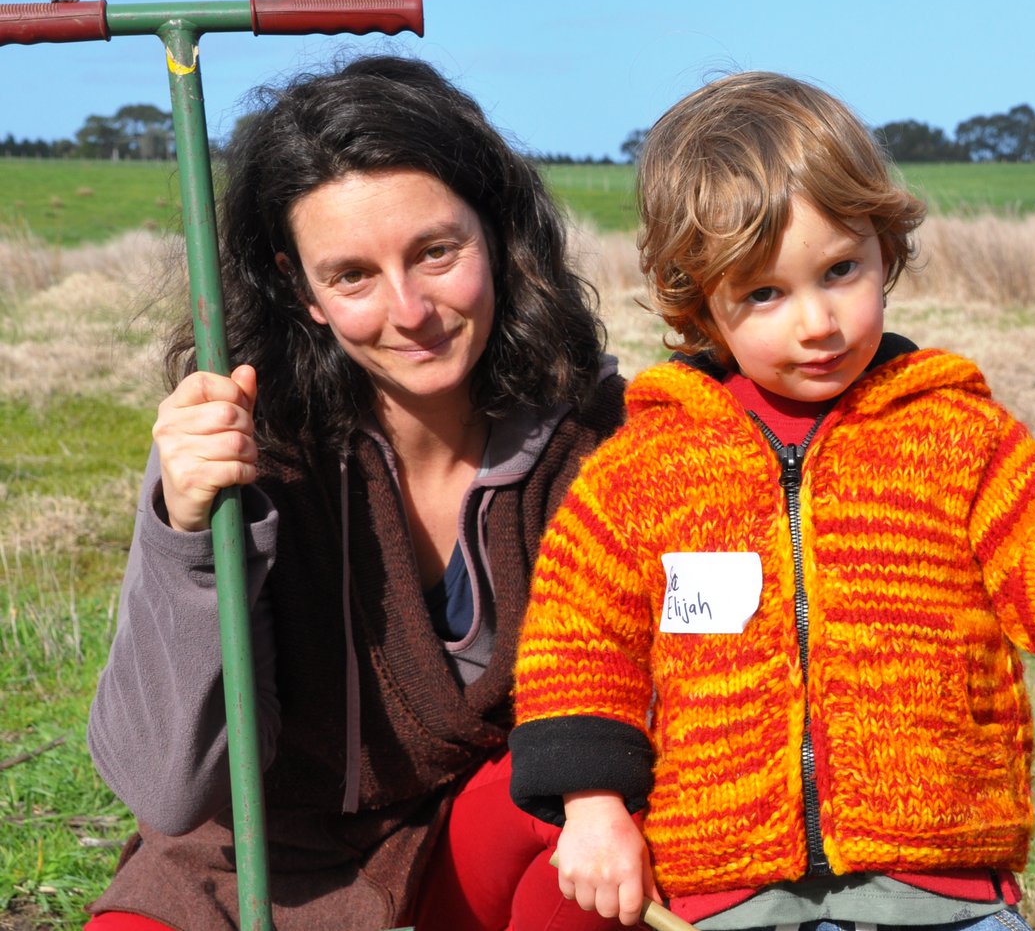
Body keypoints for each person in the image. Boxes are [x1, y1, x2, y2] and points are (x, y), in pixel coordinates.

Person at [508, 71, 1035, 931]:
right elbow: (578, 641)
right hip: (731, 898)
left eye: (840, 270)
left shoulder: (955, 433)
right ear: (701, 305)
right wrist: (594, 804)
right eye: (765, 293)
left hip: (941, 888)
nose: (817, 323)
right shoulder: (645, 467)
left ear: (885, 249)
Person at [83, 56, 630, 931]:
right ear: (300, 290)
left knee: (569, 819)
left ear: (495, 232)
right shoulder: (241, 451)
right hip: (264, 862)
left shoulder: (594, 441)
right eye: (352, 276)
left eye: (436, 252)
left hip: (480, 843)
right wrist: (184, 533)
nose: (409, 310)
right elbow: (166, 785)